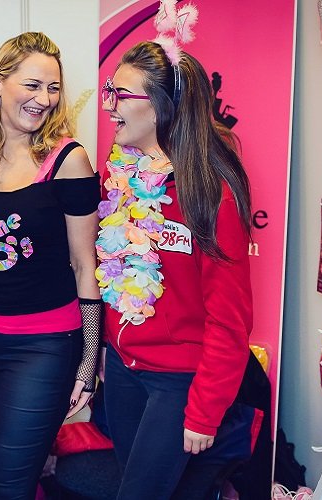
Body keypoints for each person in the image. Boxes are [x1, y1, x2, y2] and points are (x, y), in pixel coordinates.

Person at [0, 32, 102, 499]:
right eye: (32, 85)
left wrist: (89, 361)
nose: (44, 99)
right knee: (1, 479)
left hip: (43, 347)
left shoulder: (69, 160)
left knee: (10, 485)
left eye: (53, 88)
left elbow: (83, 263)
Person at [98, 40, 259, 498]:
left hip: (179, 383)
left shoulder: (211, 193)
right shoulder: (121, 175)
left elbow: (230, 318)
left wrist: (205, 409)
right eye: (110, 91)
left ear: (162, 107)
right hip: (125, 372)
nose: (109, 106)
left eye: (121, 95)